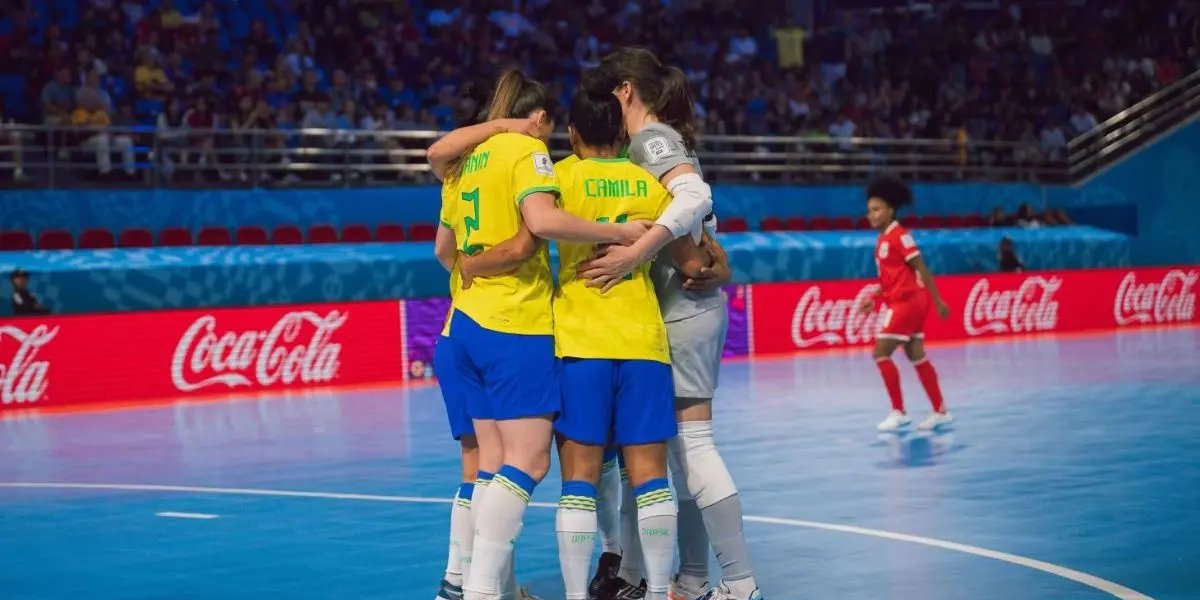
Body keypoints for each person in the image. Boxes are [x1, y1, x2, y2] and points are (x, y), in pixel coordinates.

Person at [427, 70, 650, 600]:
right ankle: (481, 589)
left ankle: (465, 585)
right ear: (542, 119)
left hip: (463, 323)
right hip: (515, 324)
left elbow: (443, 250)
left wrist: (472, 266)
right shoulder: (527, 153)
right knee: (528, 461)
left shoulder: (464, 165)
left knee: (488, 464)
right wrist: (622, 234)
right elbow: (543, 223)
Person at [578, 48, 759, 600]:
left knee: (693, 447)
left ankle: (740, 582)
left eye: (609, 95)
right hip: (679, 309)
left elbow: (693, 195)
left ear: (626, 90)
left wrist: (637, 253)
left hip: (684, 311)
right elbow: (698, 229)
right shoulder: (657, 141)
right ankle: (695, 578)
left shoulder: (649, 139)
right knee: (677, 455)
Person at [553, 90, 716, 600]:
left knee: (579, 479)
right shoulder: (648, 182)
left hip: (580, 342)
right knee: (651, 479)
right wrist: (720, 261)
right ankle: (661, 588)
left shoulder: (556, 178)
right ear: (622, 136)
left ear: (572, 134)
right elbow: (694, 264)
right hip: (644, 344)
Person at [857, 176, 954, 432]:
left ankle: (898, 412)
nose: (871, 215)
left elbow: (921, 268)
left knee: (880, 353)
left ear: (891, 209)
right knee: (916, 356)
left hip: (908, 303)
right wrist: (874, 297)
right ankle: (940, 411)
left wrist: (938, 300)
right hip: (905, 301)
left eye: (877, 209)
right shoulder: (883, 240)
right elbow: (890, 279)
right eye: (869, 210)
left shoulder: (900, 236)